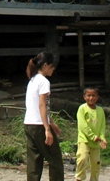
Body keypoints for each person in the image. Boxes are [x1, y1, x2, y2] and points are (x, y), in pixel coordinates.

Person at [24, 51, 64, 181]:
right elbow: (42, 105)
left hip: (29, 124)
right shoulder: (43, 81)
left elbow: (38, 106)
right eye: (52, 67)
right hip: (39, 125)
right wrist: (47, 129)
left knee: (34, 161)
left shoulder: (32, 80)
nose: (53, 69)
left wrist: (51, 123)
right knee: (55, 159)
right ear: (46, 65)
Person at [75, 87, 107, 181]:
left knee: (96, 163)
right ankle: (79, 178)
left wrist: (102, 138)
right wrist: (92, 136)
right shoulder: (82, 108)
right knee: (82, 159)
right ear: (84, 97)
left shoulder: (100, 110)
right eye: (89, 95)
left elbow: (102, 125)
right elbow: (82, 125)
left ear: (97, 97)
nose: (91, 98)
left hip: (96, 142)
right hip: (84, 140)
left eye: (93, 95)